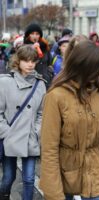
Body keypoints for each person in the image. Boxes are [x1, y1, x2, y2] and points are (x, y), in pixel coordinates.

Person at [39, 40, 99, 200]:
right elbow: (49, 148)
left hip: (95, 169)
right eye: (95, 70)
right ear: (81, 67)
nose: (98, 75)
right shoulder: (56, 96)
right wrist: (54, 193)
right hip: (65, 170)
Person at [0, 45, 46, 200]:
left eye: (33, 60)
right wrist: (7, 133)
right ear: (18, 61)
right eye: (26, 60)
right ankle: (4, 195)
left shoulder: (40, 84)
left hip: (30, 137)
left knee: (29, 179)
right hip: (10, 137)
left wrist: (36, 131)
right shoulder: (5, 83)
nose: (30, 64)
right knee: (8, 177)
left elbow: (42, 113)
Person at [23, 23, 54, 89]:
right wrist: (31, 49)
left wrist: (49, 74)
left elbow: (50, 63)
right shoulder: (23, 48)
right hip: (30, 82)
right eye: (32, 34)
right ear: (28, 35)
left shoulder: (45, 47)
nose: (35, 36)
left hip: (45, 82)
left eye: (37, 34)